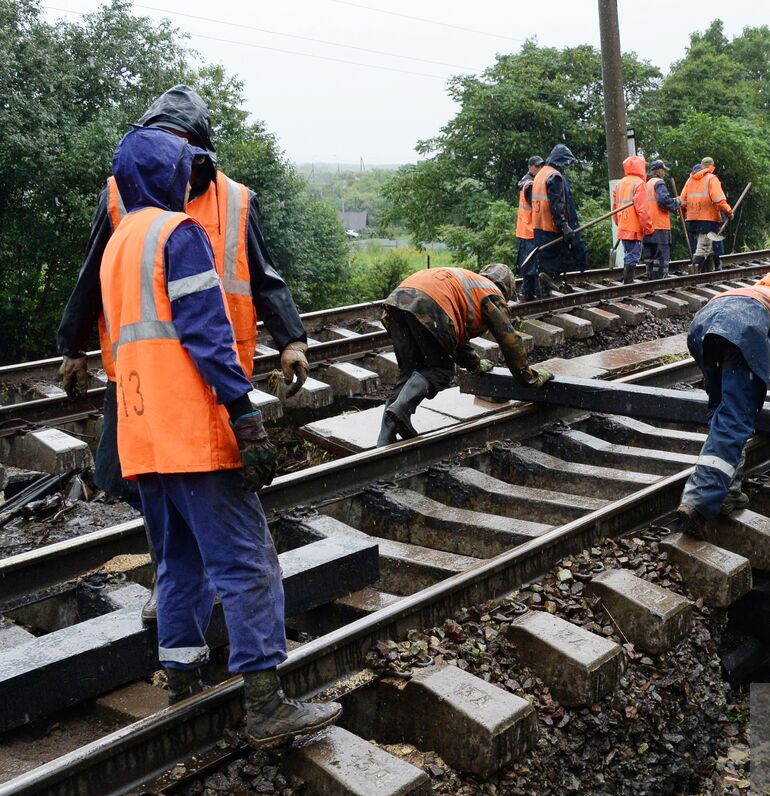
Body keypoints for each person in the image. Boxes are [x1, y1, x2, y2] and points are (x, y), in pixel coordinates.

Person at [100, 125, 341, 742]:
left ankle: (182, 679)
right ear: (165, 175)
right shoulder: (177, 235)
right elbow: (206, 335)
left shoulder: (120, 242)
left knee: (176, 561)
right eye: (183, 168)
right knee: (246, 562)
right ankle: (264, 702)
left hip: (142, 436)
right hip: (193, 431)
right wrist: (244, 413)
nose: (190, 179)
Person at [57, 85, 309, 509]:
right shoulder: (118, 196)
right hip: (144, 375)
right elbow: (92, 277)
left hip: (215, 372)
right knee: (151, 491)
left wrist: (291, 340)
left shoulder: (236, 200)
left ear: (202, 150)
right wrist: (73, 347)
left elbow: (263, 276)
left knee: (213, 487)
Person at [676, 272, 770, 536]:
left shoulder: (750, 292)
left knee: (724, 410)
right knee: (736, 417)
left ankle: (728, 490)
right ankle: (700, 501)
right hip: (743, 331)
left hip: (703, 324)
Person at [378, 265, 552, 445]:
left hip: (397, 301)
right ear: (507, 288)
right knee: (441, 370)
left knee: (409, 372)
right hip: (428, 302)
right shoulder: (490, 292)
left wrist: (474, 364)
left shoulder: (469, 285)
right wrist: (528, 378)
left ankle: (384, 439)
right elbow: (509, 340)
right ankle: (400, 409)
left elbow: (456, 339)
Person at [531, 144, 586, 296]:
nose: (566, 166)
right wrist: (564, 226)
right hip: (552, 227)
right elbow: (557, 204)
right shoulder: (554, 176)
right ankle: (550, 286)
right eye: (566, 163)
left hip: (539, 227)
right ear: (560, 161)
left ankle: (546, 295)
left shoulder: (541, 174)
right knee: (559, 260)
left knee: (545, 263)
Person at [611, 155, 653, 285]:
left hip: (623, 225)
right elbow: (642, 209)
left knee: (628, 253)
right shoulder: (639, 184)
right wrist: (648, 227)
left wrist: (619, 223)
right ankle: (628, 283)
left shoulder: (619, 184)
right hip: (634, 227)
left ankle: (627, 280)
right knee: (633, 255)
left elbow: (615, 208)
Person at [682, 157, 733, 266]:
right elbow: (719, 200)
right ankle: (694, 271)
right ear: (712, 166)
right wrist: (729, 210)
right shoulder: (711, 179)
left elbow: (682, 201)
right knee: (704, 249)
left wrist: (682, 214)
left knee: (705, 248)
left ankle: (708, 273)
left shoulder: (690, 180)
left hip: (692, 220)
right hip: (707, 219)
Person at [637, 160, 678, 280]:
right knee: (661, 256)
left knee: (649, 256)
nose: (664, 172)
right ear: (659, 170)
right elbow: (663, 201)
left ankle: (651, 279)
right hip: (659, 226)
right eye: (663, 170)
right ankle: (660, 280)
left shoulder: (646, 183)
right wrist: (676, 203)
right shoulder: (659, 183)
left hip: (647, 226)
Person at [515, 156, 544, 299]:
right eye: (537, 166)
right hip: (531, 230)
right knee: (534, 264)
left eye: (541, 166)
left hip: (525, 229)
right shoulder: (530, 185)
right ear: (530, 167)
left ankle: (528, 293)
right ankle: (533, 293)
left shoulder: (527, 183)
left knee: (529, 263)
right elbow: (538, 207)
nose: (539, 169)